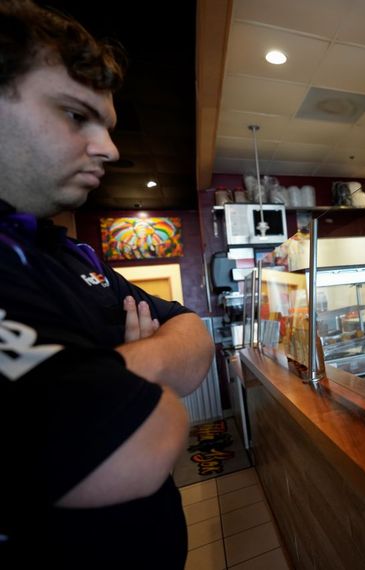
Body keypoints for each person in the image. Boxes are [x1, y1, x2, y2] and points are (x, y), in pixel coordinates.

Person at [0, 1, 214, 567]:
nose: (110, 148)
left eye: (108, 125)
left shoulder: (69, 252)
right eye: (75, 116)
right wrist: (145, 363)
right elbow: (141, 441)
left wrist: (108, 368)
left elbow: (194, 334)